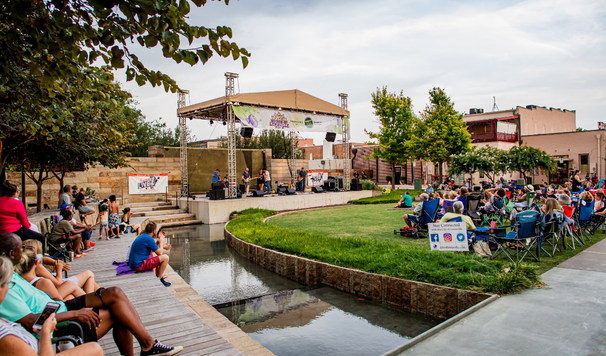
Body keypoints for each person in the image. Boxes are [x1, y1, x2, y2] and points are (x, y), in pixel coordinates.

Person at [0, 233, 183, 356]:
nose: (22, 251)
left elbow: (38, 264)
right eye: (19, 249)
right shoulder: (5, 285)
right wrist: (75, 313)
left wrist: (58, 299)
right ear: (10, 254)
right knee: (119, 313)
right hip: (59, 319)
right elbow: (32, 320)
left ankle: (148, 344)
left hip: (58, 307)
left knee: (114, 293)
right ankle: (148, 344)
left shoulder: (11, 273)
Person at [0, 255, 104, 356]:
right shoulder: (6, 336)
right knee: (95, 349)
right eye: (7, 284)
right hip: (52, 324)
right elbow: (30, 322)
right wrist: (45, 332)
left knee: (109, 294)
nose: (9, 288)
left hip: (54, 309)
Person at [22, 239, 98, 295]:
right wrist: (59, 270)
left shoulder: (26, 266)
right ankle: (91, 300)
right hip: (59, 287)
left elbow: (43, 259)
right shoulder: (38, 267)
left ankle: (100, 295)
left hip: (55, 286)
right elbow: (59, 284)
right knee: (89, 274)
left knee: (92, 283)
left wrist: (55, 262)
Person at [16, 247, 86, 301]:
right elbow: (59, 303)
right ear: (36, 262)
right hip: (51, 311)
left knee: (70, 294)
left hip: (38, 307)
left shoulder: (16, 278)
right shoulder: (43, 282)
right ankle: (93, 307)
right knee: (71, 286)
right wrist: (58, 270)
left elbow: (43, 259)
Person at [0, 181, 46, 252]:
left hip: (2, 232)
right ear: (14, 192)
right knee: (41, 237)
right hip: (15, 231)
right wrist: (28, 227)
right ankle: (42, 257)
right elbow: (24, 222)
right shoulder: (17, 203)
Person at [128, 222, 172, 287]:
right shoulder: (149, 238)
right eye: (156, 230)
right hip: (138, 265)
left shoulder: (144, 236)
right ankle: (159, 280)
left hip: (134, 264)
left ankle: (159, 275)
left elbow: (153, 249)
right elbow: (160, 253)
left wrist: (158, 242)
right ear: (154, 231)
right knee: (165, 257)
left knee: (154, 256)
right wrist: (161, 242)